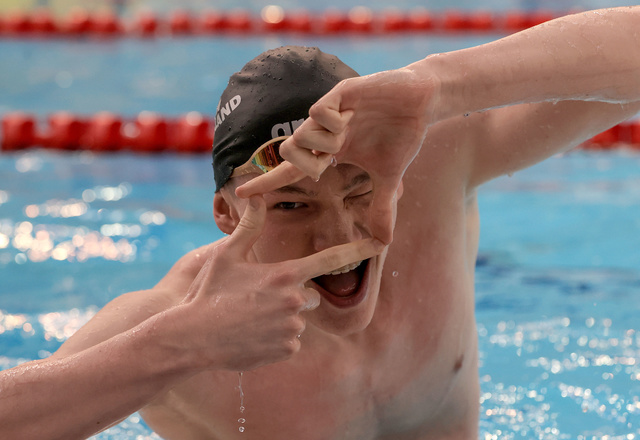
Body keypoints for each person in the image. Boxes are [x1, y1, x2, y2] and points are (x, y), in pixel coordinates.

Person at [1, 6, 639, 440]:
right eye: (291, 204)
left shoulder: (434, 172)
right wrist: (182, 346)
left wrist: (441, 86)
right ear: (226, 214)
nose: (339, 238)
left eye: (358, 188)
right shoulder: (174, 325)